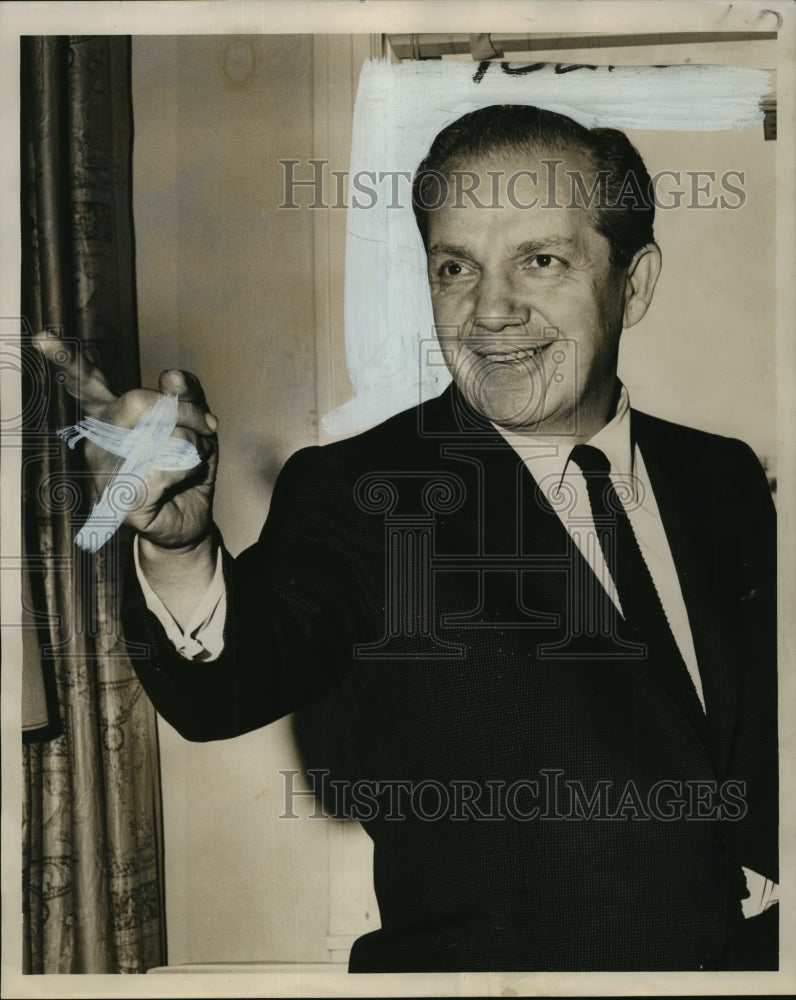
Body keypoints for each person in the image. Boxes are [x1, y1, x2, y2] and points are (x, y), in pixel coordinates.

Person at [35, 105, 778, 972]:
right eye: (456, 266)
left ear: (635, 283)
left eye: (540, 261)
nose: (491, 311)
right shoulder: (362, 493)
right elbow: (229, 685)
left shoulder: (721, 480)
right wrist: (179, 547)